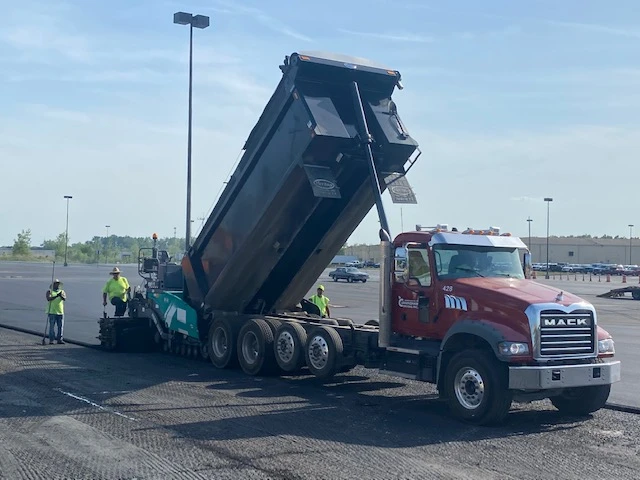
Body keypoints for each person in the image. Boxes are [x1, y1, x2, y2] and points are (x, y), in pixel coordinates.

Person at [45, 279, 66, 344]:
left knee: (60, 327)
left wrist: (60, 295)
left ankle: (59, 339)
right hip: (52, 311)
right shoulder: (49, 291)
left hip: (60, 311)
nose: (57, 285)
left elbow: (64, 298)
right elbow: (48, 299)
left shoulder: (62, 291)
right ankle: (51, 339)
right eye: (56, 283)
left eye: (58, 283)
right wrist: (57, 295)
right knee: (52, 327)